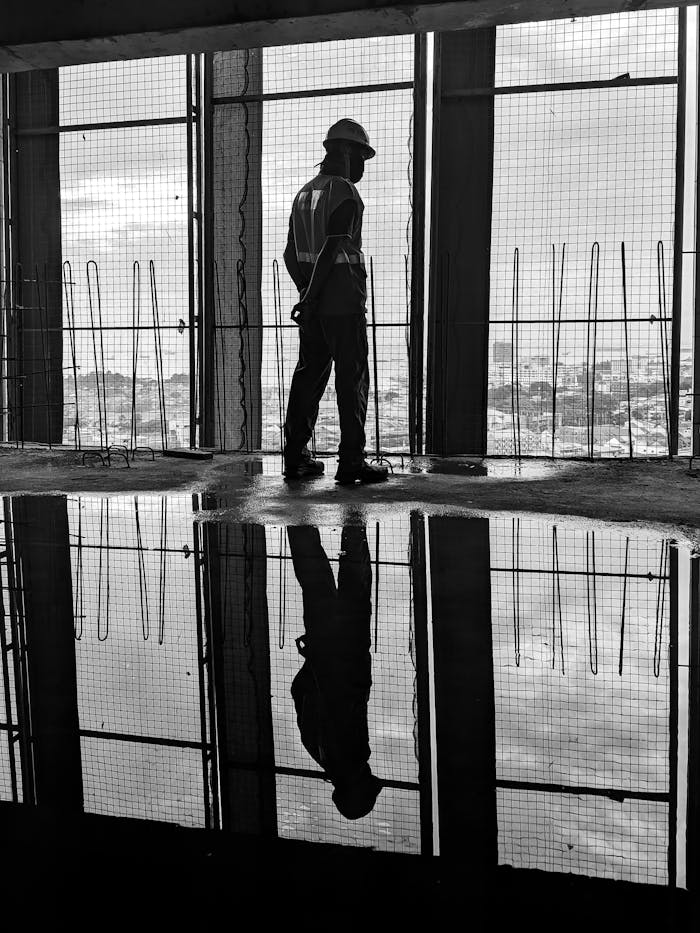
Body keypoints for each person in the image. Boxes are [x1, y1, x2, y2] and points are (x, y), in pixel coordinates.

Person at [281, 119, 389, 486]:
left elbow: (290, 254)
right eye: (361, 156)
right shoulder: (343, 191)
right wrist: (313, 295)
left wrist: (306, 296)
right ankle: (351, 463)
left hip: (315, 310)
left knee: (308, 379)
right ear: (344, 152)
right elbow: (333, 247)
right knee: (352, 380)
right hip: (342, 303)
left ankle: (295, 459)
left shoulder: (304, 194)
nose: (362, 166)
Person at [287, 524, 382, 820]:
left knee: (354, 579)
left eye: (369, 782)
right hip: (325, 647)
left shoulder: (350, 756)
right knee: (315, 580)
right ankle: (299, 516)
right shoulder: (317, 751)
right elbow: (300, 693)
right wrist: (312, 660)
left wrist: (320, 664)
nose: (370, 774)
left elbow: (337, 703)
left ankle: (353, 516)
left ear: (356, 785)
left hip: (348, 653)